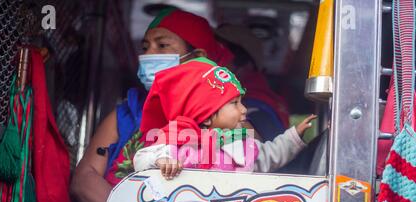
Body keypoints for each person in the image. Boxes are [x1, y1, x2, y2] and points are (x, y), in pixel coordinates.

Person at [2, 8, 233, 202]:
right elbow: (85, 180)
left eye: (163, 46)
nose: (150, 55)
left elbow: (244, 179)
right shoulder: (125, 113)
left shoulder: (226, 118)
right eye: (145, 47)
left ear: (197, 58)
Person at [133, 57, 316, 179]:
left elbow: (270, 156)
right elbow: (142, 159)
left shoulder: (239, 143)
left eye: (241, 102)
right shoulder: (176, 141)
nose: (244, 110)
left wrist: (293, 136)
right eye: (234, 103)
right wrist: (162, 162)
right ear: (205, 116)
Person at [216, 24, 291, 141]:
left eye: (220, 56)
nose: (212, 64)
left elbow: (260, 155)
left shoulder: (255, 108)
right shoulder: (264, 99)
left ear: (245, 65)